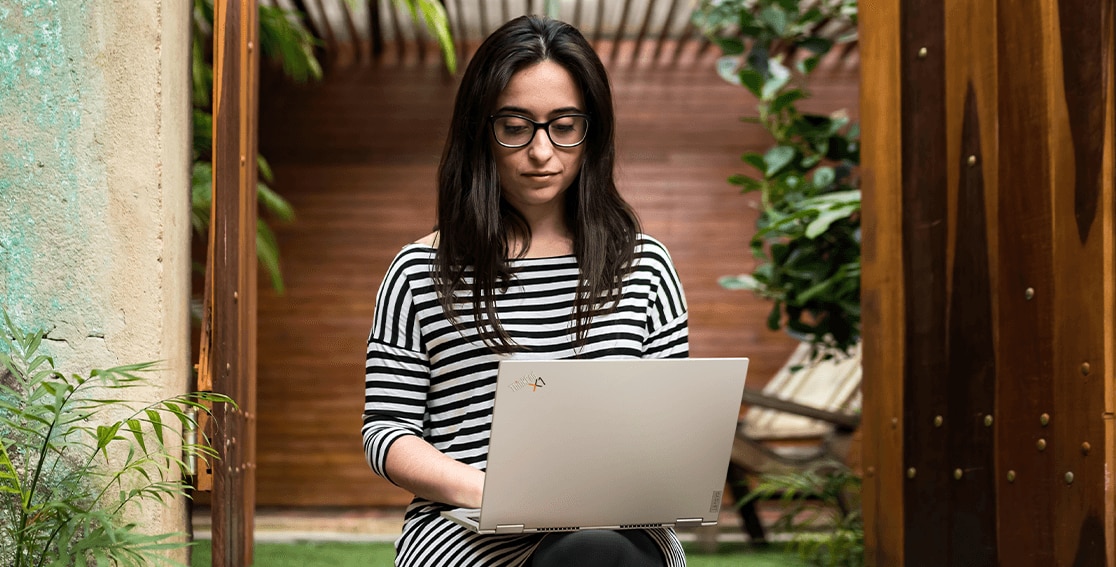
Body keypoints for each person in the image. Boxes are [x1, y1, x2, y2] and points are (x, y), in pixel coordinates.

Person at [362, 14, 689, 567]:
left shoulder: (645, 265)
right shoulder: (419, 271)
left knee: (596, 546)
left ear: (594, 132)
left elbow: (673, 427)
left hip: (618, 529)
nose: (542, 152)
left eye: (564, 125)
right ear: (479, 131)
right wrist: (490, 493)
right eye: (516, 126)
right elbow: (387, 432)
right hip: (470, 531)